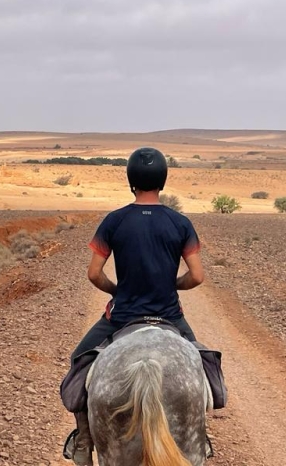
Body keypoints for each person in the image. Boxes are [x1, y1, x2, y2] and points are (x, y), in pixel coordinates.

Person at [64, 147, 205, 466]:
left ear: (131, 181)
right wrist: (174, 284)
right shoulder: (180, 223)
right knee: (203, 364)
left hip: (122, 318)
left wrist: (117, 291)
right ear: (163, 181)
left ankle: (84, 443)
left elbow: (93, 274)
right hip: (169, 317)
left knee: (78, 363)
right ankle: (199, 437)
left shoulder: (114, 221)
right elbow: (196, 276)